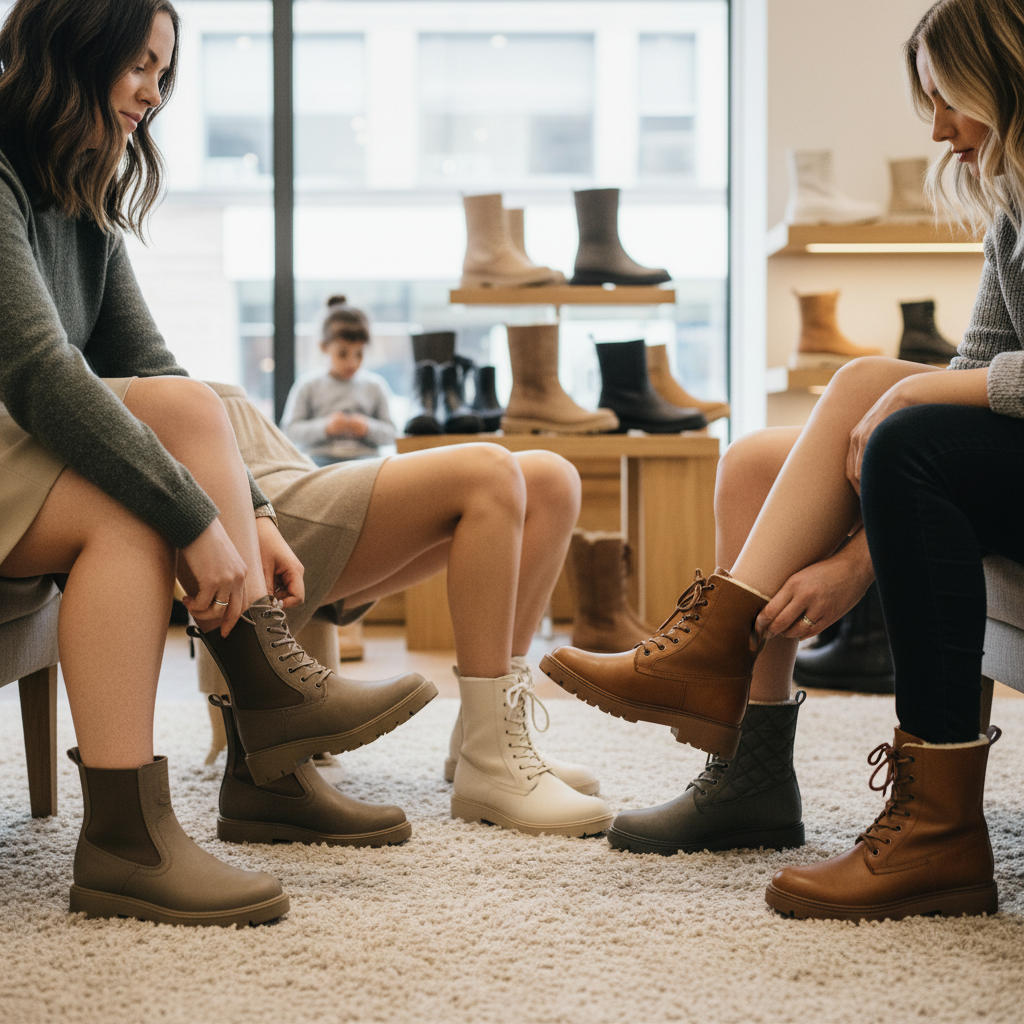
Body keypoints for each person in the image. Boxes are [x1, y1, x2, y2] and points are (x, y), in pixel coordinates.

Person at [542, 0, 1024, 921]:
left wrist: (908, 403)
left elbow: (950, 399)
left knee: (894, 401)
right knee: (763, 460)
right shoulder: (1013, 203)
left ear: (1002, 73)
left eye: (947, 98)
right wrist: (858, 547)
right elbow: (977, 362)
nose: (936, 128)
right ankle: (747, 773)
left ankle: (919, 819)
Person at [0, 0, 435, 927]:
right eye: (141, 67)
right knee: (163, 463)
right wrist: (202, 520)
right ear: (77, 44)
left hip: (17, 458)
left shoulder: (74, 189)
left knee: (154, 462)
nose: (153, 94)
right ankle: (264, 706)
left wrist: (257, 517)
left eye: (164, 74)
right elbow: (37, 372)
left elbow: (153, 368)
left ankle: (131, 836)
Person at [199, 380, 612, 843]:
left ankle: (488, 732)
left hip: (281, 469)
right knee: (488, 470)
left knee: (554, 478)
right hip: (239, 492)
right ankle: (489, 765)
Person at [280, 296, 398, 466]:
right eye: (342, 354)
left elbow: (392, 433)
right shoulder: (308, 386)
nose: (352, 363)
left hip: (366, 463)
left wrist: (368, 428)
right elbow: (289, 431)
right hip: (318, 463)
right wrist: (325, 427)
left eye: (359, 354)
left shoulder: (375, 386)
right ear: (324, 347)